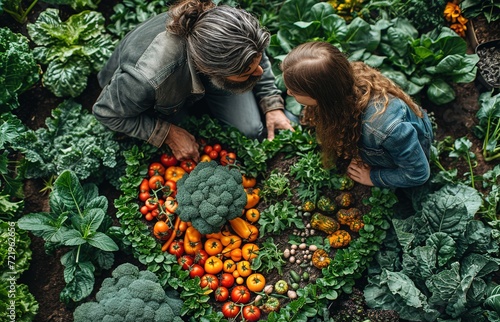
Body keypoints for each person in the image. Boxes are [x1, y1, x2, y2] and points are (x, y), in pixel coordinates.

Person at [93, 0, 294, 162]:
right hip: (165, 94)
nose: (259, 72)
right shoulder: (147, 79)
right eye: (247, 71)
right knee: (189, 130)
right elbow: (105, 111)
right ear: (212, 70)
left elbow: (254, 55)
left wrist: (271, 102)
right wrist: (167, 133)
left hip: (197, 72)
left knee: (251, 130)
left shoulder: (226, 25)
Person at [281, 41, 434, 189]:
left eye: (295, 92)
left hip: (399, 149)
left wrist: (373, 177)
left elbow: (418, 173)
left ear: (321, 96)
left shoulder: (383, 129)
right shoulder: (341, 80)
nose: (288, 92)